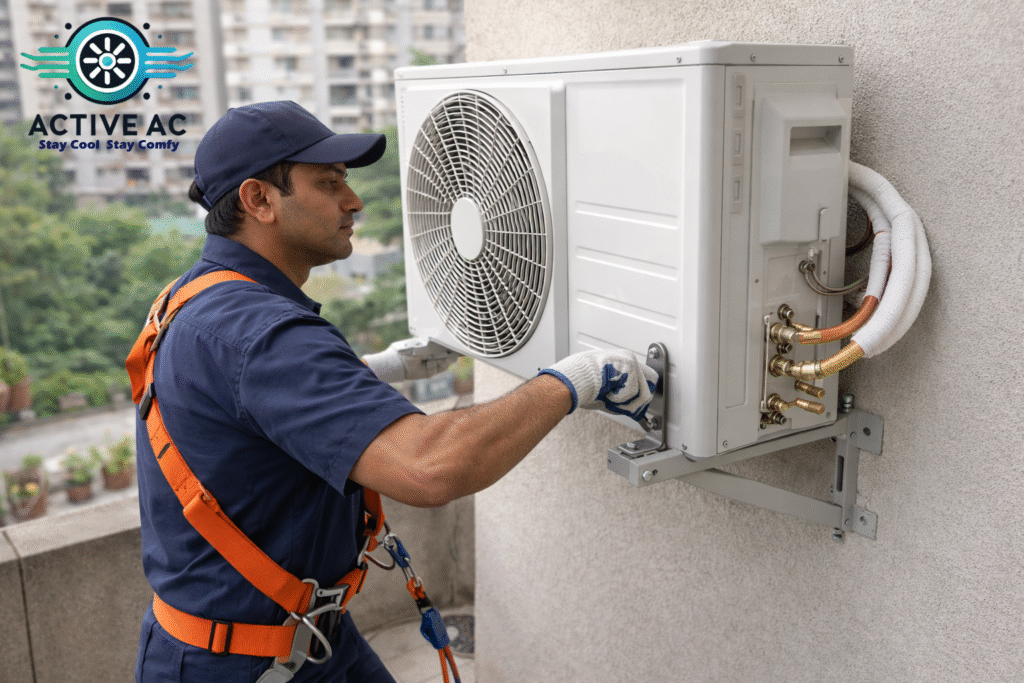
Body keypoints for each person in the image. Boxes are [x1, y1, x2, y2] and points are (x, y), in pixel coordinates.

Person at [130, 100, 658, 683]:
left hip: (302, 636)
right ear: (259, 200)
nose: (353, 201)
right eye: (329, 184)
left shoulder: (196, 297)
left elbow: (248, 404)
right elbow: (429, 469)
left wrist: (384, 368)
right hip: (246, 665)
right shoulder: (261, 334)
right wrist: (581, 377)